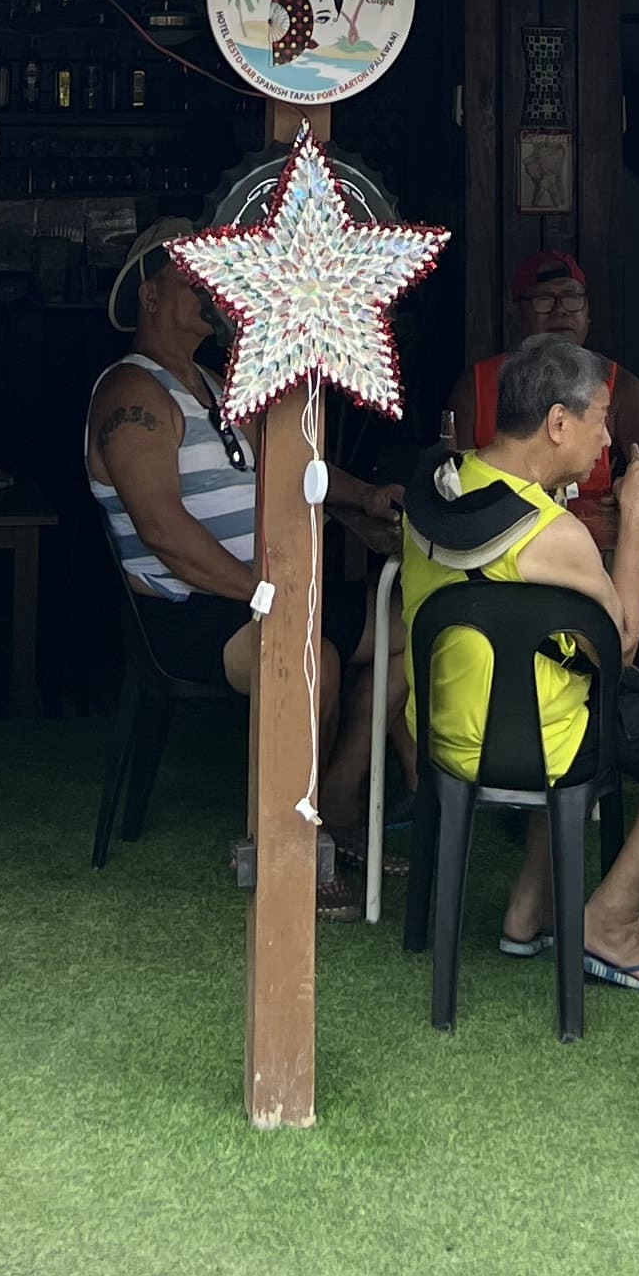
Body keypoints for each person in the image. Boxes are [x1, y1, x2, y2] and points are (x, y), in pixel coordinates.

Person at [85, 235, 404, 885]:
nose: (212, 293)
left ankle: (336, 796)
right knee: (315, 658)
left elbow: (298, 465)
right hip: (189, 612)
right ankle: (291, 852)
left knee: (417, 623)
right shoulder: (128, 393)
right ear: (150, 297)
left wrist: (367, 497)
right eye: (192, 282)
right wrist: (263, 592)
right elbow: (162, 531)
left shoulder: (216, 383)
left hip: (269, 591)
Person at [401, 330, 639, 990]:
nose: (607, 441)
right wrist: (638, 518)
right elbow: (621, 646)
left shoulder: (438, 486)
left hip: (442, 731)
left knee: (558, 681)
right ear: (559, 423)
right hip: (536, 741)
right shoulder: (554, 534)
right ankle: (611, 919)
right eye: (601, 421)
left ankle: (528, 909)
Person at [446, 250, 639, 504]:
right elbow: (455, 476)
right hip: (507, 523)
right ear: (517, 312)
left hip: (592, 525)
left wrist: (633, 486)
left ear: (588, 312)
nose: (560, 310)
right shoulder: (475, 386)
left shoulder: (619, 384)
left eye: (572, 297)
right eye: (544, 299)